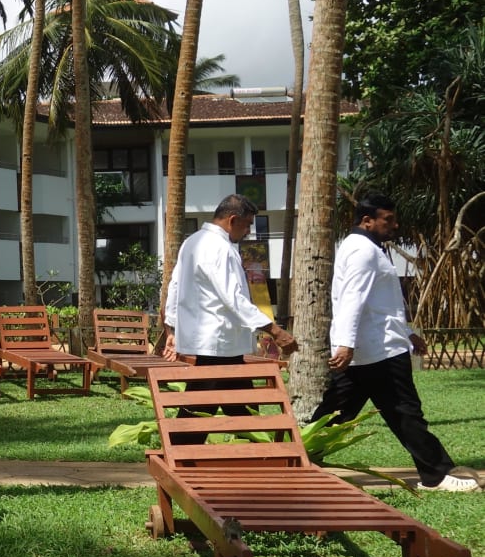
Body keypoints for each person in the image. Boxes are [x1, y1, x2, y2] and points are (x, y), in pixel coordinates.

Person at [311, 192, 478, 492]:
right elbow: (352, 299)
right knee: (404, 412)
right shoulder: (363, 251)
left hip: (371, 348)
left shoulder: (364, 247)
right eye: (387, 220)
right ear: (367, 220)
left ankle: (297, 460)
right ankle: (436, 476)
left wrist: (408, 332)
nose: (394, 225)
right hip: (379, 351)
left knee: (333, 414)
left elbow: (381, 305)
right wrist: (345, 344)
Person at [161, 194, 298, 443]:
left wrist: (171, 329)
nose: (248, 232)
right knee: (201, 412)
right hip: (219, 343)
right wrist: (275, 330)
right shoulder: (220, 248)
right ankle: (180, 456)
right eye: (247, 225)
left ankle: (260, 455)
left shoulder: (192, 242)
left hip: (218, 345)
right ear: (233, 220)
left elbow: (175, 286)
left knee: (240, 410)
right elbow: (234, 299)